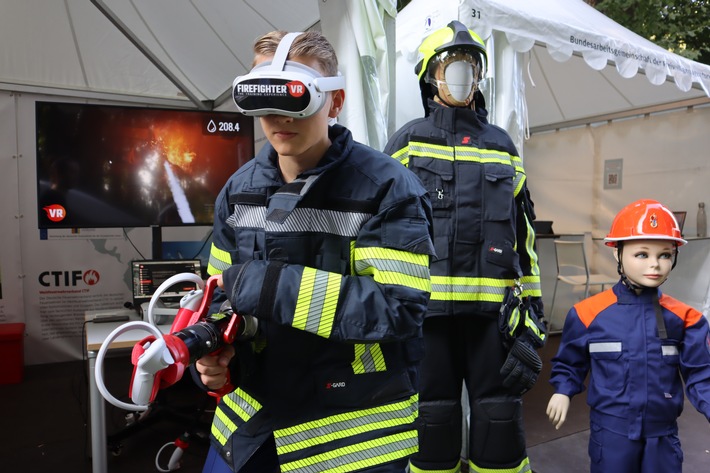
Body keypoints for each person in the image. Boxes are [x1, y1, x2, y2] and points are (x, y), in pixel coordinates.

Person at [193, 30, 435, 473]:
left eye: (295, 99)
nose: (278, 118)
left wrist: (270, 285)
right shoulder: (240, 189)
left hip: (349, 439)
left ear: (335, 101)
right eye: (266, 100)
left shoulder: (387, 187)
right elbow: (219, 295)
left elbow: (399, 308)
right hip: (249, 425)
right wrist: (215, 355)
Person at [383, 20, 545, 473]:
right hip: (425, 320)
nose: (461, 72)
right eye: (450, 63)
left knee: (499, 426)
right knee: (430, 426)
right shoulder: (406, 144)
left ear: (480, 76)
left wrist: (532, 316)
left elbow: (524, 236)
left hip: (491, 322)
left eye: (470, 64)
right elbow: (382, 233)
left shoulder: (502, 147)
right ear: (429, 76)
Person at [546, 199, 710, 473]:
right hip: (612, 436)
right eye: (642, 254)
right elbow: (569, 363)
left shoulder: (686, 319)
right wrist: (563, 390)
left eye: (665, 255)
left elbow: (701, 375)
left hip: (663, 436)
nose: (655, 265)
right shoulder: (587, 314)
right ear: (617, 254)